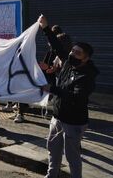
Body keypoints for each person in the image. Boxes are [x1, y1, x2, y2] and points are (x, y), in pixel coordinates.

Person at [39, 15, 98, 178]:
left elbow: (76, 97)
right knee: (53, 149)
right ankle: (51, 175)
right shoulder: (68, 63)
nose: (72, 54)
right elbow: (57, 46)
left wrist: (53, 89)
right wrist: (45, 28)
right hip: (57, 117)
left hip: (73, 122)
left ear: (86, 58)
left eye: (77, 53)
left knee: (72, 156)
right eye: (73, 50)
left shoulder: (86, 76)